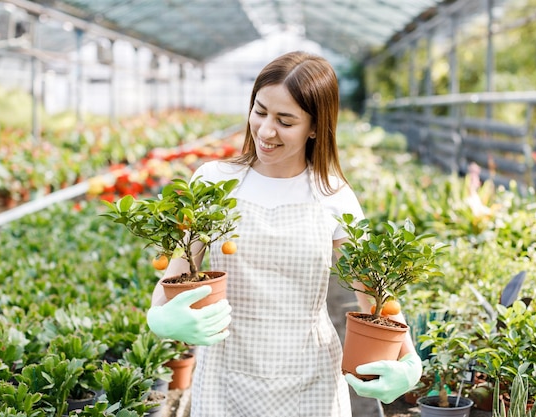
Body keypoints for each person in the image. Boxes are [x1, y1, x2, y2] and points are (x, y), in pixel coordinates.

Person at [146, 51, 422, 416]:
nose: (266, 130)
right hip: (226, 378)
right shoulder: (214, 182)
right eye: (260, 111)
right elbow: (174, 274)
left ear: (315, 127)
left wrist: (409, 360)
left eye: (285, 121)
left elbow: (374, 296)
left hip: (311, 383)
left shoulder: (333, 196)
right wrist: (159, 315)